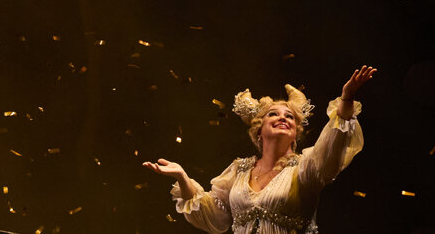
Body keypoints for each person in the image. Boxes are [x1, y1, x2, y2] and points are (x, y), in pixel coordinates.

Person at [143, 66, 376, 234]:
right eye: (273, 114)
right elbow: (214, 216)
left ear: (295, 133)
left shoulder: (307, 167)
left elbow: (334, 140)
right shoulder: (239, 170)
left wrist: (346, 99)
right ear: (258, 130)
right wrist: (183, 178)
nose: (282, 118)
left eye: (290, 117)